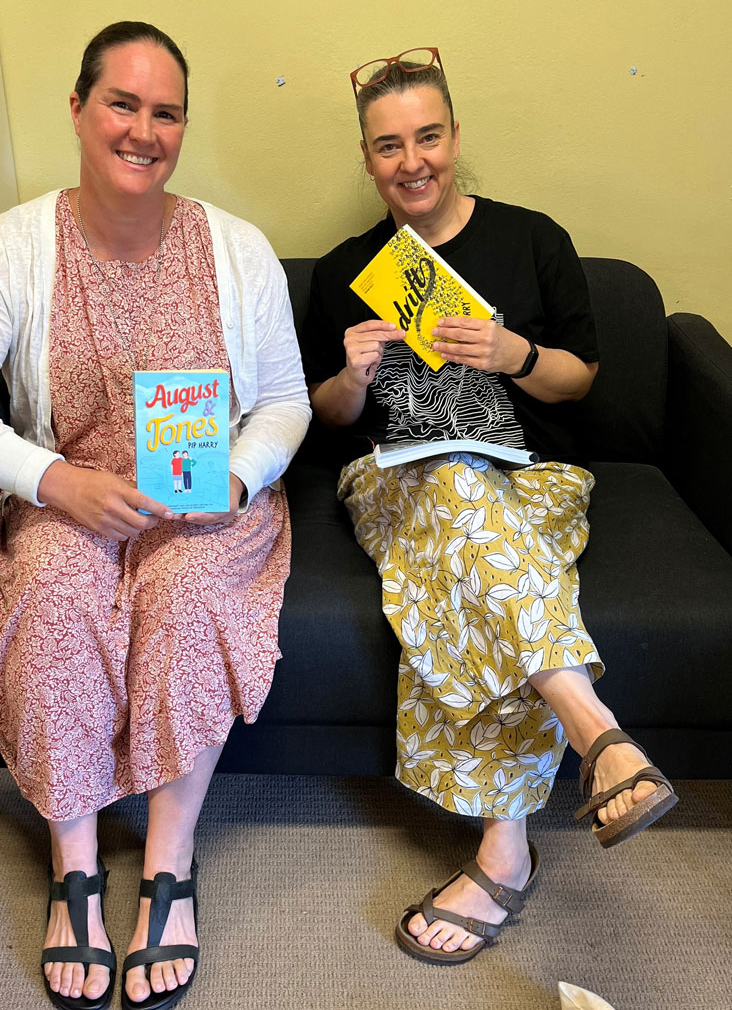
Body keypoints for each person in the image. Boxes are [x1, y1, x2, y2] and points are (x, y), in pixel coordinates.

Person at [0, 21, 310, 1010]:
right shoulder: (8, 248)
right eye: (122, 103)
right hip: (67, 492)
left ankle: (168, 868)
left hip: (201, 502)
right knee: (49, 592)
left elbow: (287, 399)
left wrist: (242, 479)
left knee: (189, 587)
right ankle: (74, 862)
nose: (143, 129)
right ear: (78, 110)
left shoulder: (238, 250)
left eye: (165, 111)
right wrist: (55, 482)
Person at [301, 47, 677, 965]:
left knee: (470, 550)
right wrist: (350, 376)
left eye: (428, 136)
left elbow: (581, 378)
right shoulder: (349, 268)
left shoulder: (533, 237)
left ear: (455, 137)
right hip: (392, 479)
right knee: (450, 480)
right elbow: (323, 418)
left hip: (537, 477)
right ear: (367, 159)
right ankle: (599, 734)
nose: (412, 160)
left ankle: (504, 856)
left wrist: (511, 353)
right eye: (388, 145)